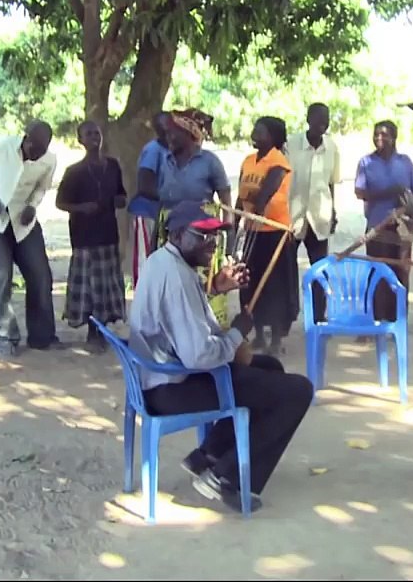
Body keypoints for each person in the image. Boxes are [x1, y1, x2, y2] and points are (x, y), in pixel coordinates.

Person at [129, 200, 313, 513]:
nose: (211, 244)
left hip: (159, 376)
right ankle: (226, 478)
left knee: (271, 367)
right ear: (176, 235)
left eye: (214, 236)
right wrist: (237, 333)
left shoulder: (163, 261)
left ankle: (210, 455)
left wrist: (215, 288)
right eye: (201, 235)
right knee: (298, 391)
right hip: (171, 388)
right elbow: (199, 355)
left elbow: (184, 316)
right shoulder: (176, 277)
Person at [0, 120, 60, 355]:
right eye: (35, 148)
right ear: (26, 138)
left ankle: (43, 336)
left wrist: (32, 205)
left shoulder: (49, 160)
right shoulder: (1, 146)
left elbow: (42, 188)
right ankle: (3, 337)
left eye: (43, 150)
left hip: (24, 223)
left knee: (41, 276)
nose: (37, 154)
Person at [155, 109, 234, 325]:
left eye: (173, 132)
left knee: (205, 282)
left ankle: (208, 329)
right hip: (172, 231)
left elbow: (226, 200)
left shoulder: (209, 161)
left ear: (190, 134)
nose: (168, 137)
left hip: (202, 231)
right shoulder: (165, 160)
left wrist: (228, 239)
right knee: (172, 280)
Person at [56, 121, 128, 353]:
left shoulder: (113, 166)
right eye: (88, 134)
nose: (94, 137)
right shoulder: (74, 172)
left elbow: (121, 195)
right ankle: (92, 330)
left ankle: (105, 328)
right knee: (90, 287)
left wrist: (119, 201)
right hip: (84, 237)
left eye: (96, 133)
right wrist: (81, 208)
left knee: (107, 285)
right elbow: (60, 203)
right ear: (80, 141)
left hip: (108, 234)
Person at [235, 116, 298, 355]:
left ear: (272, 137)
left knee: (274, 286)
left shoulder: (279, 162)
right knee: (250, 282)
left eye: (260, 131)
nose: (254, 134)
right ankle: (258, 334)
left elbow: (265, 194)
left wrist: (255, 207)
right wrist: (235, 223)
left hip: (274, 232)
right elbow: (242, 195)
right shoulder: (248, 160)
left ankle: (275, 340)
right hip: (253, 231)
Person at [354, 120, 413, 323]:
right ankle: (376, 317)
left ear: (394, 138)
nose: (379, 138)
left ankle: (398, 319)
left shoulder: (405, 162)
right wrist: (387, 193)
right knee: (378, 272)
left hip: (402, 228)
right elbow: (360, 192)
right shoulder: (366, 162)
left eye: (384, 135)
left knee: (401, 271)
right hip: (377, 227)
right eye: (376, 134)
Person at [286, 103, 340, 324]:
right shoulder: (291, 145)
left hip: (319, 217)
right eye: (317, 118)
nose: (322, 123)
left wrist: (333, 211)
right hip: (292, 218)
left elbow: (330, 184)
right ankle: (287, 319)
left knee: (320, 270)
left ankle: (319, 317)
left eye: (325, 119)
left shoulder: (332, 148)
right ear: (307, 119)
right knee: (287, 272)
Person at [127, 111, 171, 286]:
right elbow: (145, 185)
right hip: (146, 212)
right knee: (145, 261)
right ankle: (142, 304)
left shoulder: (171, 150)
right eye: (162, 126)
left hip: (161, 212)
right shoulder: (153, 150)